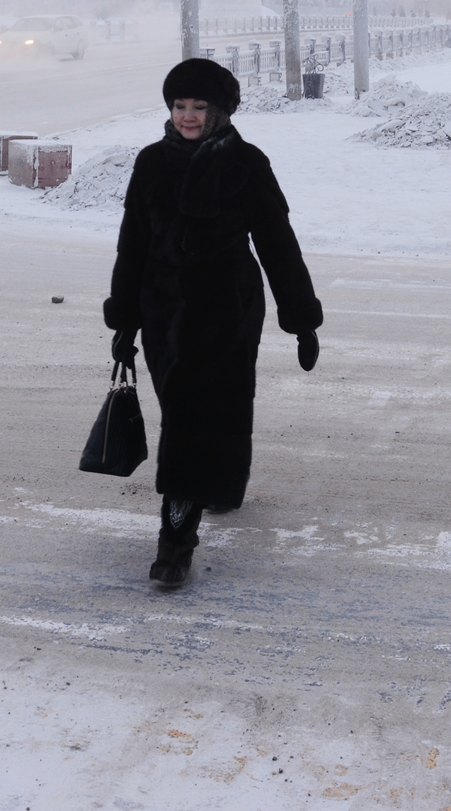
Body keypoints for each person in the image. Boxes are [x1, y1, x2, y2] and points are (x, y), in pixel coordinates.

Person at [103, 58, 323, 589]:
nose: (187, 116)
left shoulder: (245, 163)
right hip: (161, 310)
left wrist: (301, 317)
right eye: (179, 106)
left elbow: (276, 243)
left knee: (194, 419)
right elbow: (133, 244)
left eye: (199, 107)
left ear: (220, 110)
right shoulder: (151, 162)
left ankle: (175, 541)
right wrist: (126, 318)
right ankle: (222, 485)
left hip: (225, 307)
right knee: (189, 410)